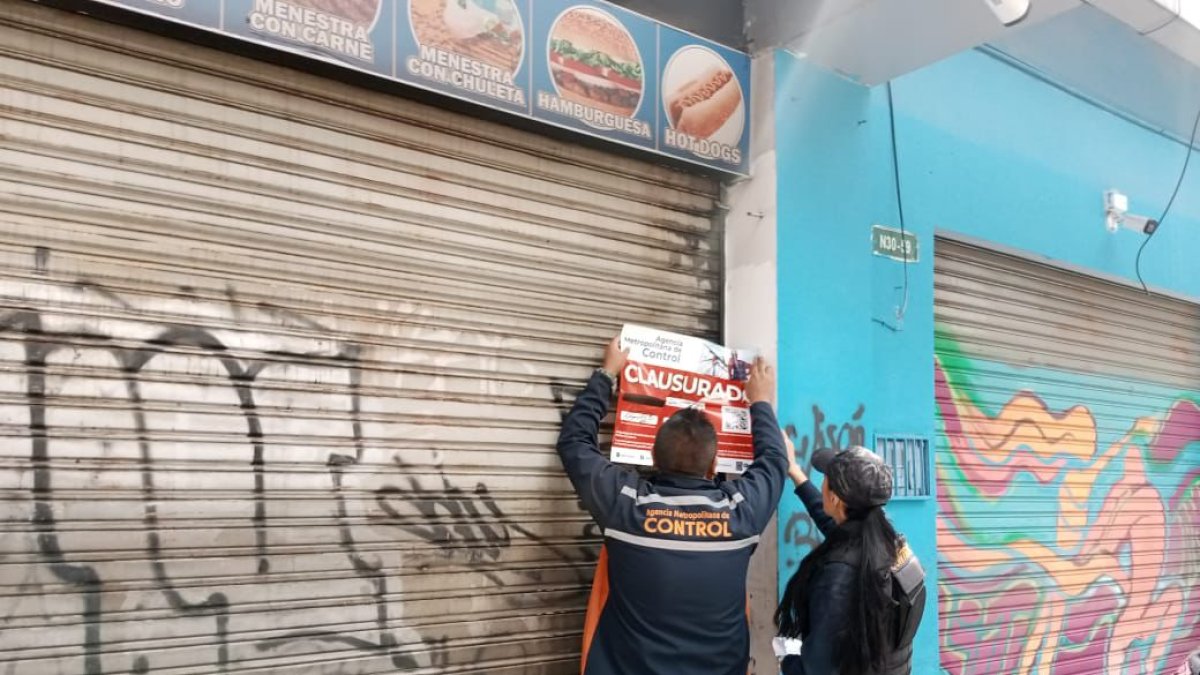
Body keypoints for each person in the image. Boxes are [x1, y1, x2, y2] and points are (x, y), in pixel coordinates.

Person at [556, 337, 788, 675]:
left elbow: (574, 443)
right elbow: (774, 462)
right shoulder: (740, 514)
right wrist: (761, 401)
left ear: (653, 457)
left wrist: (606, 374)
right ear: (713, 467)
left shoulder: (626, 507)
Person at [774, 438, 926, 675]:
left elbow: (819, 669)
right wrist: (794, 471)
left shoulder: (839, 572)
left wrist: (787, 656)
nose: (822, 483)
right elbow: (832, 522)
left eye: (825, 479)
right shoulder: (888, 544)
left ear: (835, 498)